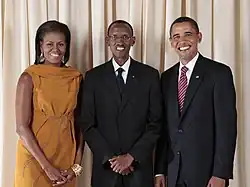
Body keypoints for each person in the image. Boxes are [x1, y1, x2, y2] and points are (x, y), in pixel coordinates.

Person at [77, 20, 162, 187]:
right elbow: (87, 124)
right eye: (114, 37)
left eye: (125, 36)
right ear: (108, 41)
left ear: (133, 40)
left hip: (139, 170)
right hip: (106, 170)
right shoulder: (93, 77)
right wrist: (112, 159)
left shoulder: (150, 76)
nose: (120, 41)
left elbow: (156, 123)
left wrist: (131, 157)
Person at [154, 16, 237, 187]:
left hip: (206, 174)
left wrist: (220, 174)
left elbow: (226, 128)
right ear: (171, 42)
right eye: (176, 36)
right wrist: (160, 170)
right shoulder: (166, 78)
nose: (182, 41)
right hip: (173, 172)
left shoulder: (218, 73)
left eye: (188, 34)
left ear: (199, 37)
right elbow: (163, 128)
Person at [14, 20, 84, 187]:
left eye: (61, 44)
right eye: (49, 44)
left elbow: (81, 124)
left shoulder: (75, 77)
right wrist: (47, 167)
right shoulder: (28, 77)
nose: (55, 49)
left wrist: (76, 167)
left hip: (65, 160)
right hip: (34, 160)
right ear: (40, 46)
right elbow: (21, 127)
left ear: (67, 46)